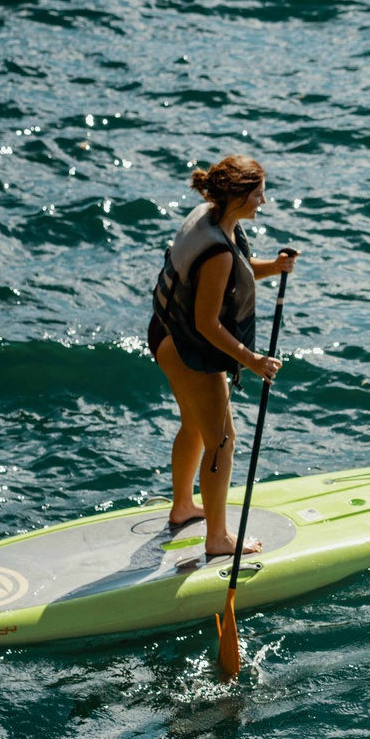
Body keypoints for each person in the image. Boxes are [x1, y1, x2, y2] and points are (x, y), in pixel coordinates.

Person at [148, 155, 299, 557]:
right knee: (222, 440)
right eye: (257, 193)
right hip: (188, 347)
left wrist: (274, 266)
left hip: (165, 333)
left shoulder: (211, 218)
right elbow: (206, 323)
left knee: (195, 427)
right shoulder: (217, 252)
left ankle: (182, 507)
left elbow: (239, 269)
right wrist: (251, 359)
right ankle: (218, 539)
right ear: (236, 195)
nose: (263, 201)